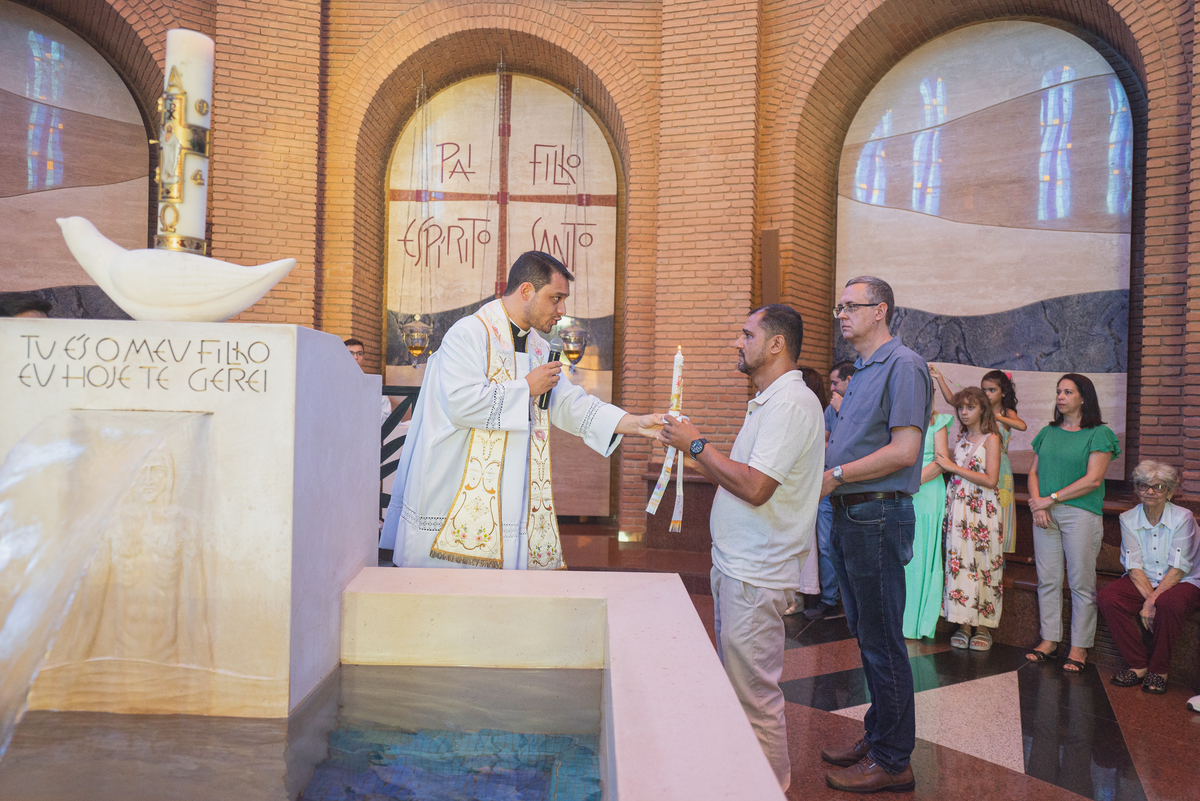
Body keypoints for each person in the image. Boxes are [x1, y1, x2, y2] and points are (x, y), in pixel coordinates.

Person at [380, 251, 660, 570]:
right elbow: (460, 403)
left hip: (509, 499)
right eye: (555, 298)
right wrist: (526, 388)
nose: (562, 310)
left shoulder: (538, 347)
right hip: (451, 494)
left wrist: (637, 424)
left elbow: (570, 404)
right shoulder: (470, 334)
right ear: (527, 291)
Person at [659, 304, 823, 792]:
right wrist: (697, 448)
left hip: (756, 572)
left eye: (746, 334)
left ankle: (769, 788)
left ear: (776, 344)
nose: (737, 342)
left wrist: (695, 446)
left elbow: (755, 488)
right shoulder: (770, 401)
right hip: (740, 566)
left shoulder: (791, 404)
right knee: (739, 690)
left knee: (755, 699)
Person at [819, 275, 931, 794]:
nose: (841, 314)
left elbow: (906, 451)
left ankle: (894, 760)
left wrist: (836, 476)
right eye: (839, 307)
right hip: (852, 513)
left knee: (884, 639)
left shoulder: (904, 365)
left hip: (877, 514)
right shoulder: (861, 369)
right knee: (868, 636)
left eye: (851, 306)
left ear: (881, 310)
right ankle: (878, 733)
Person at [1025, 373, 1120, 672]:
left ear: (1083, 397)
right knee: (1048, 579)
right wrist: (1038, 506)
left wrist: (1049, 499)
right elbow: (1033, 473)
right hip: (1044, 514)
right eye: (1058, 392)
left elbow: (1092, 480)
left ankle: (1079, 648)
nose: (1061, 397)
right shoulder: (1048, 432)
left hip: (1080, 514)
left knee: (1080, 582)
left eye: (1068, 392)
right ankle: (1049, 640)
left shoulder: (1099, 434)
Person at [1097, 461, 1200, 694]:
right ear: (1137, 489)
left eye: (1159, 487)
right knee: (1108, 597)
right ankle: (1138, 664)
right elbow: (1133, 566)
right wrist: (1150, 597)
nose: (1150, 492)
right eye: (1144, 486)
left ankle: (1159, 670)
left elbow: (1179, 568)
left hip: (1184, 580)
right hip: (1143, 578)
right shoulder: (1128, 518)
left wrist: (1152, 601)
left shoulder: (1183, 518)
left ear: (1170, 491)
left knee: (1169, 603)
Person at [934, 386, 1004, 650]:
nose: (964, 412)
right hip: (959, 507)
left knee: (983, 564)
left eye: (970, 407)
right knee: (959, 562)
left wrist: (953, 467)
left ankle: (983, 626)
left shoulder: (991, 438)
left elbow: (991, 479)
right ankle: (962, 622)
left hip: (981, 510)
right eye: (961, 407)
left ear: (982, 409)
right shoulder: (962, 436)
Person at [931, 367, 1026, 552]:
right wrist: (940, 378)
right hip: (973, 473)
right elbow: (954, 400)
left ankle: (997, 549)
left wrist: (996, 416)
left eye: (992, 390)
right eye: (984, 390)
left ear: (1003, 392)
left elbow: (1022, 425)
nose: (987, 394)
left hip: (1000, 468)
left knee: (999, 509)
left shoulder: (1006, 412)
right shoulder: (974, 413)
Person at [805, 360, 858, 621]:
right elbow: (824, 443)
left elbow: (858, 445)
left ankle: (853, 602)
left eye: (836, 382)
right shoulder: (829, 409)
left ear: (851, 381)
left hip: (855, 487)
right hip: (827, 486)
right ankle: (829, 599)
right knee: (826, 545)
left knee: (854, 547)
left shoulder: (860, 407)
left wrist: (845, 412)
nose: (832, 388)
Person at [902, 407, 952, 640]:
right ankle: (898, 619)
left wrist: (911, 482)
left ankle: (918, 621)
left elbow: (941, 461)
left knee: (921, 553)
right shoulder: (897, 417)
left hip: (927, 489)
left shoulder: (937, 421)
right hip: (899, 488)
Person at [345, 338, 392, 424]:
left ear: (364, 358)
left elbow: (387, 417)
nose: (355, 357)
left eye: (359, 354)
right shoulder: (333, 383)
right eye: (350, 353)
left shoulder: (373, 385)